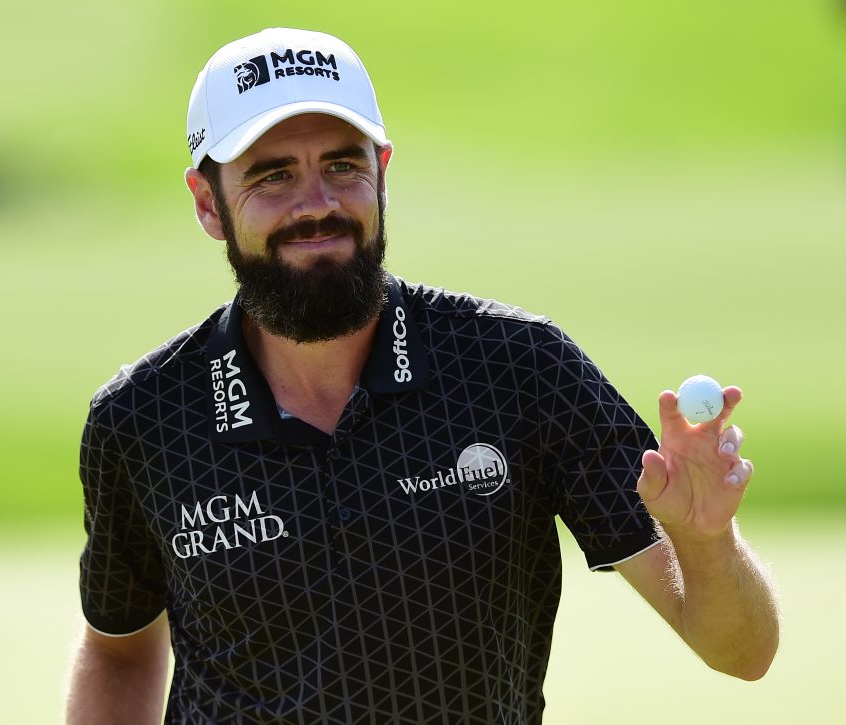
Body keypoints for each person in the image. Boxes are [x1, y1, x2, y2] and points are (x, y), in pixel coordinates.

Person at [66, 27, 779, 724]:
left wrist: (707, 543)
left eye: (343, 165)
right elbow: (120, 651)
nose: (317, 203)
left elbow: (740, 652)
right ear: (205, 202)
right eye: (273, 175)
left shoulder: (516, 367)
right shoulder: (143, 419)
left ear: (381, 169)